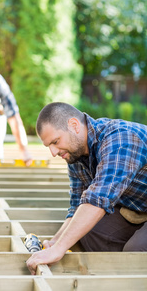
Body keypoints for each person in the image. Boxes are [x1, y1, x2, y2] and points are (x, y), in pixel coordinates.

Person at [26, 102, 147, 275]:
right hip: (140, 207)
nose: (53, 152)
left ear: (74, 125)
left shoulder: (120, 140)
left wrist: (59, 249)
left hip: (139, 208)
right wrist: (55, 242)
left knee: (137, 253)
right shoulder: (75, 156)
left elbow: (98, 200)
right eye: (49, 146)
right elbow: (77, 208)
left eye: (55, 142)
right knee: (82, 233)